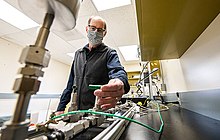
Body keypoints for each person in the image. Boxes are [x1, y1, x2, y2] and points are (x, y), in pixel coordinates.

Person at [56, 16, 130, 115]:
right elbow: (70, 84)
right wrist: (61, 107)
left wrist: (120, 81)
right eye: (93, 28)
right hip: (76, 111)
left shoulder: (109, 53)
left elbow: (117, 71)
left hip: (98, 113)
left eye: (100, 30)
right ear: (87, 29)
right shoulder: (78, 54)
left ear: (104, 33)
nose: (95, 32)